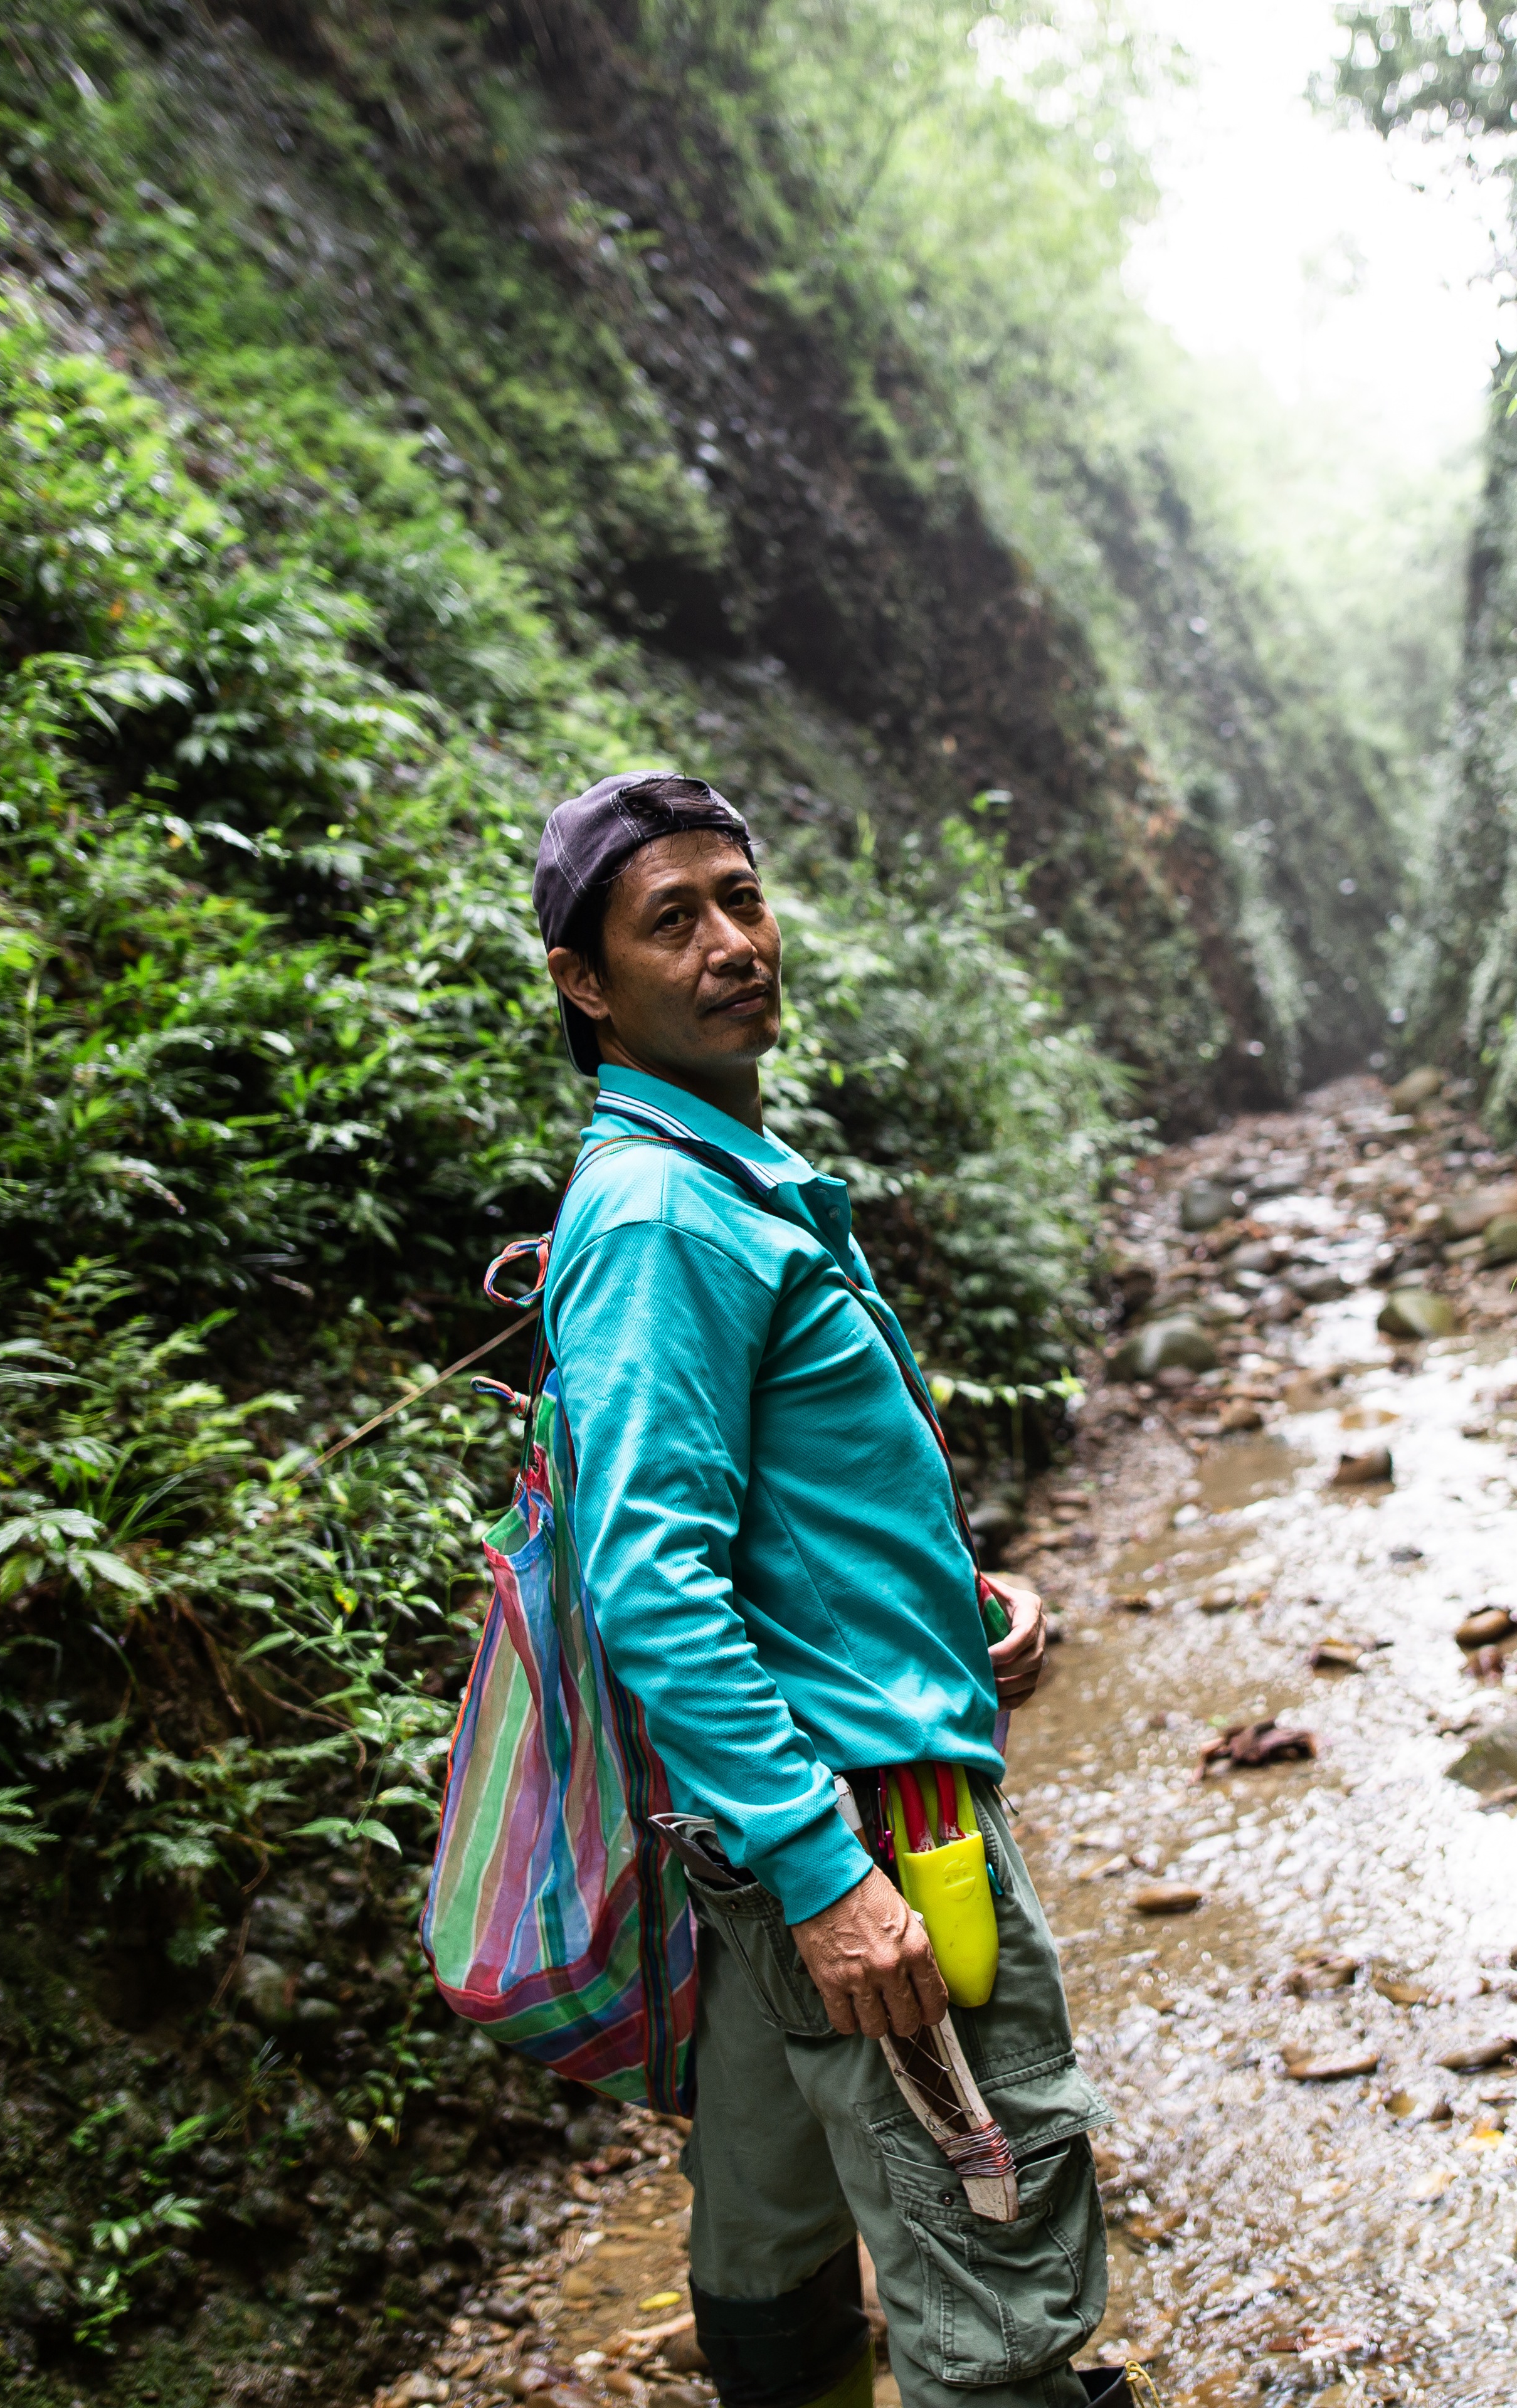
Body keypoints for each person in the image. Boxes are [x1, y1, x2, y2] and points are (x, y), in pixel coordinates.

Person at [531, 773, 1117, 2408]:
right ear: (589, 984)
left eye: (742, 896)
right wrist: (823, 1871)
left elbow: (756, 1521)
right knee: (999, 2296)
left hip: (776, 1834)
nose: (731, 942)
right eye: (673, 920)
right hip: (860, 1840)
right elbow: (647, 1577)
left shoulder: (714, 1174)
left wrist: (942, 1600)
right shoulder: (667, 1212)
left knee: (772, 2259)